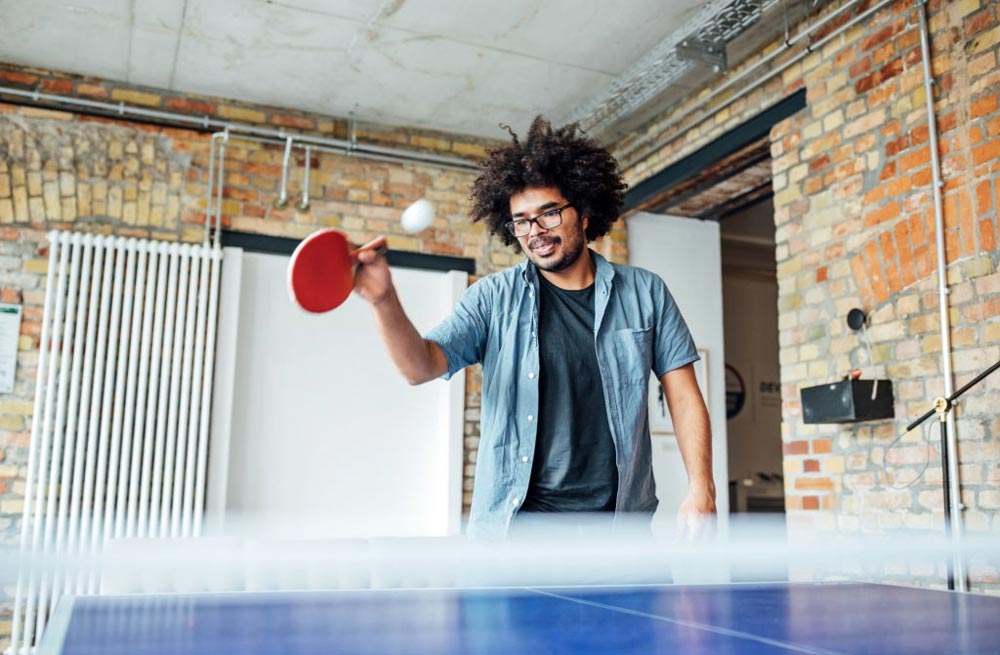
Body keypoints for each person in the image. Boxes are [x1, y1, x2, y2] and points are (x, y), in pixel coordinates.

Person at [354, 116, 715, 541]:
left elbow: (684, 394)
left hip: (621, 530)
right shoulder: (491, 298)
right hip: (518, 533)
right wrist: (383, 300)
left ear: (583, 214)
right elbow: (421, 367)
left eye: (548, 214)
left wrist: (701, 488)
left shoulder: (645, 292)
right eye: (521, 221)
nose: (535, 232)